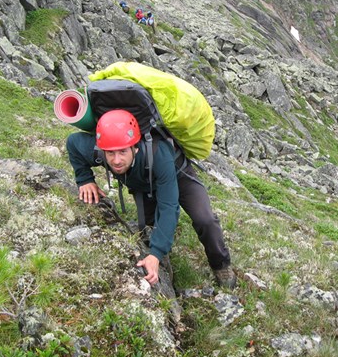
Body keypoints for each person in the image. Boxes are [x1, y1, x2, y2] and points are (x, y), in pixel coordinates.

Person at [66, 109, 236, 289]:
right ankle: (164, 257)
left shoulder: (158, 153)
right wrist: (84, 179)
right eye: (110, 153)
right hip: (143, 183)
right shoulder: (101, 148)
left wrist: (155, 254)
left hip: (177, 174)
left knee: (205, 219)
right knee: (149, 229)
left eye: (123, 152)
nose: (116, 161)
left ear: (135, 147)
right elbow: (73, 143)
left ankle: (221, 264)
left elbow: (169, 206)